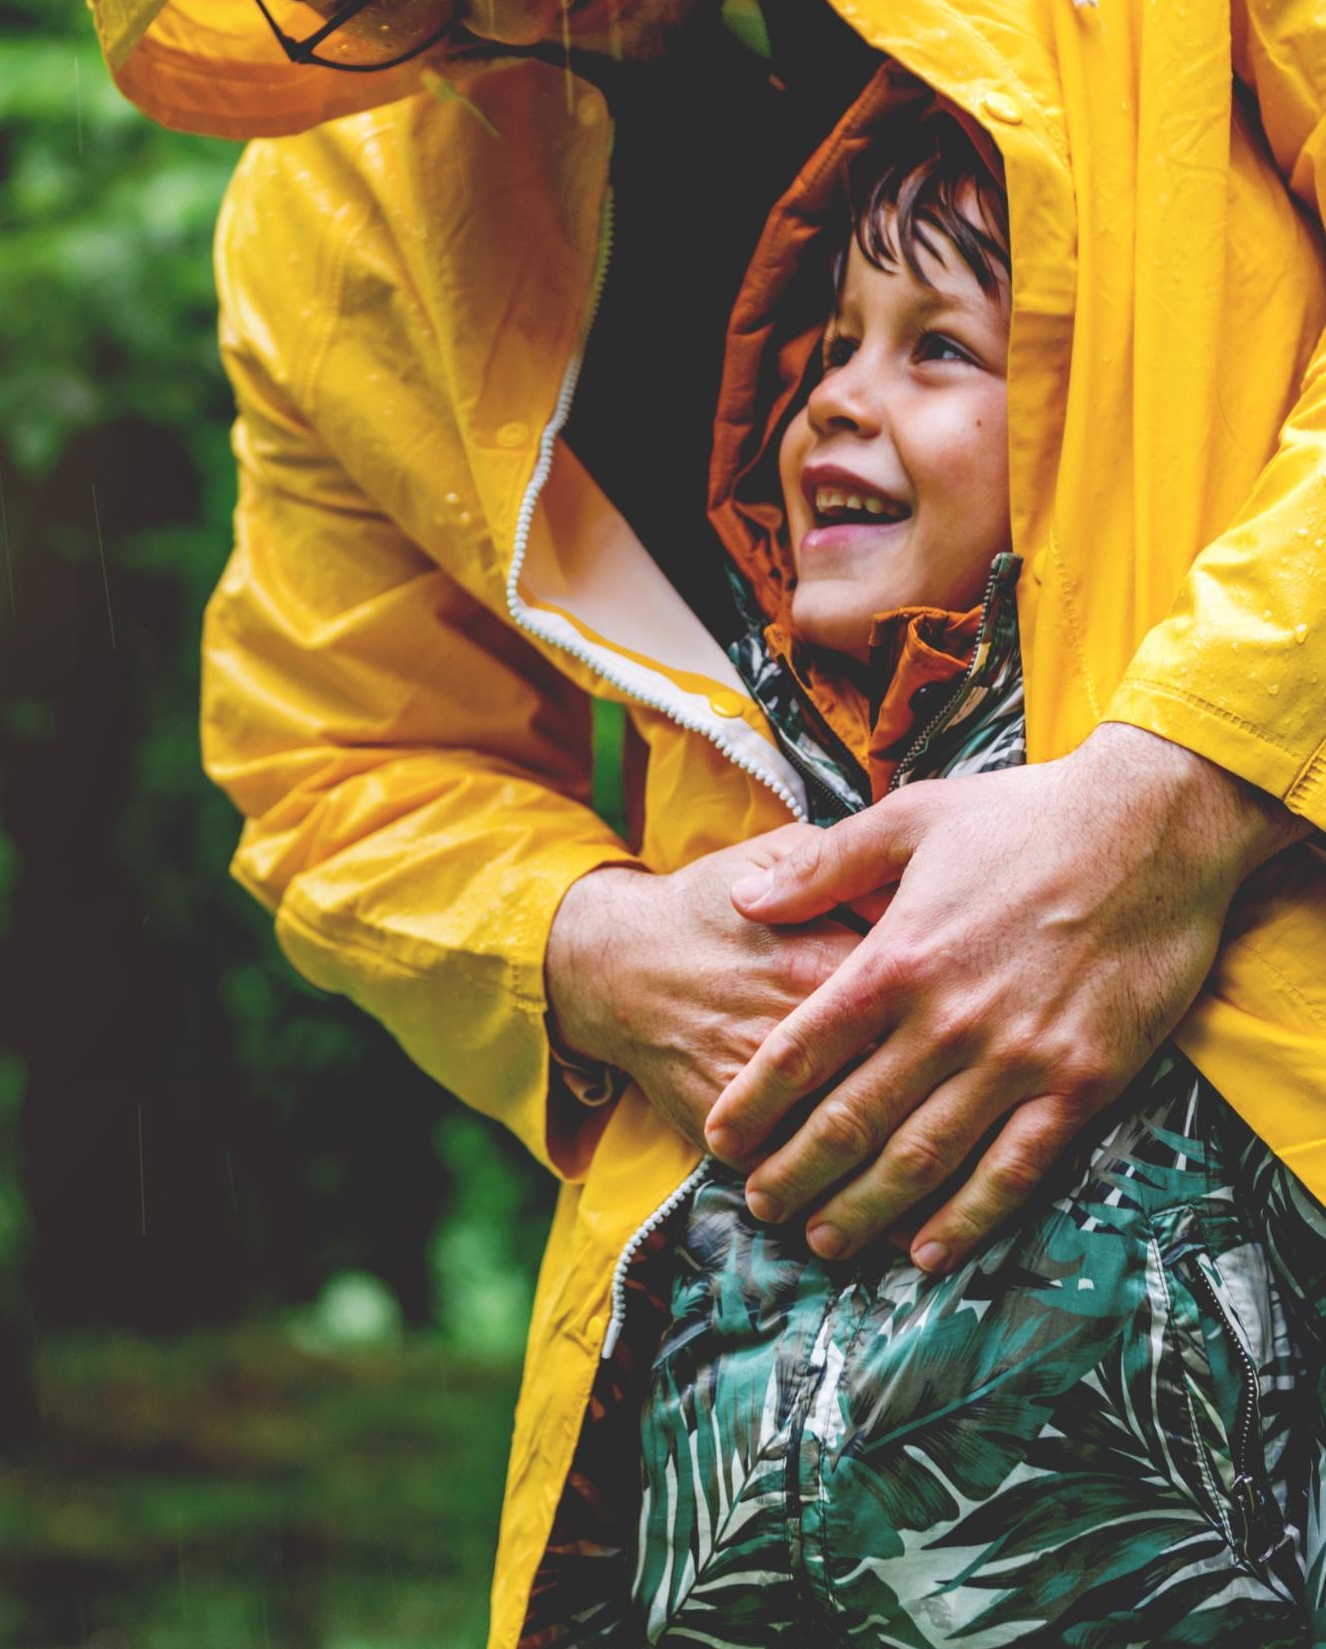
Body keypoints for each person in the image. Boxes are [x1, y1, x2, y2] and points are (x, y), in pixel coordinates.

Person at [4, 0, 1326, 1641]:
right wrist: (581, 947)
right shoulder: (343, 222)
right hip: (739, 1454)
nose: (494, 10)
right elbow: (335, 766)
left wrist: (1187, 789)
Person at [529, 79, 1324, 1641]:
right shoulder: (731, 790)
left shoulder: (1213, 855)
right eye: (826, 346)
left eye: (935, 347)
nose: (831, 396)